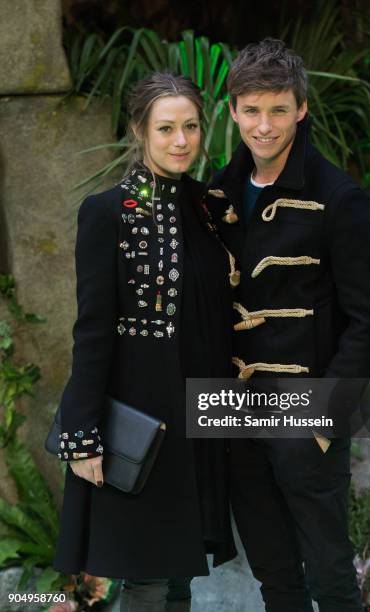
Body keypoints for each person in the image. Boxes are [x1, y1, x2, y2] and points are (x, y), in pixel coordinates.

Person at [206, 39, 370, 612]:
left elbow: (367, 320)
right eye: (252, 110)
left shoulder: (339, 198)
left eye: (278, 109)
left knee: (332, 580)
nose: (264, 125)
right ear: (232, 110)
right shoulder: (216, 194)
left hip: (305, 412)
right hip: (234, 414)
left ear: (301, 108)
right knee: (276, 582)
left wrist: (324, 422)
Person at [53, 73, 237, 612]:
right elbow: (91, 328)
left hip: (198, 418)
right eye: (165, 128)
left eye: (191, 126)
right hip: (138, 421)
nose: (181, 140)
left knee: (180, 576)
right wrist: (82, 435)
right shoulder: (107, 212)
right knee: (148, 577)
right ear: (139, 130)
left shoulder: (208, 209)